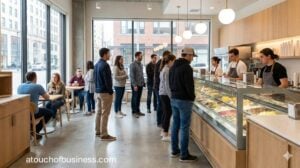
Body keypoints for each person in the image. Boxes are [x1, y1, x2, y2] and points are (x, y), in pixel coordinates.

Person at [169, 47, 198, 162]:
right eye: (192, 56)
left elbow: (170, 82)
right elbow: (189, 86)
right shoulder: (187, 67)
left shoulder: (173, 66)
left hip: (174, 98)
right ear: (188, 56)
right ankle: (184, 155)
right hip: (184, 101)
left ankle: (175, 150)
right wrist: (192, 97)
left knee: (175, 125)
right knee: (184, 127)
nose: (192, 59)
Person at [18, 72, 52, 140]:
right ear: (35, 78)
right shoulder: (37, 86)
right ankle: (35, 131)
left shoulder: (20, 86)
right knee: (49, 112)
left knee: (38, 109)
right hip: (33, 113)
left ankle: (31, 129)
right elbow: (47, 98)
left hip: (22, 113)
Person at [94, 48, 116, 141]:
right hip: (105, 93)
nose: (110, 55)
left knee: (98, 112)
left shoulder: (96, 64)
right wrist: (110, 91)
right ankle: (104, 134)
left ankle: (98, 131)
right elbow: (107, 80)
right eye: (108, 54)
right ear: (104, 54)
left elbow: (95, 79)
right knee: (105, 113)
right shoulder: (105, 65)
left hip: (98, 92)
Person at [159, 54, 176, 142]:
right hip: (165, 94)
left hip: (162, 93)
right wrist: (171, 96)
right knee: (168, 113)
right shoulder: (167, 70)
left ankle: (163, 131)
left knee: (165, 113)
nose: (174, 63)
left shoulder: (163, 69)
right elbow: (167, 85)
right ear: (170, 61)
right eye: (174, 61)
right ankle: (165, 133)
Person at [154, 50, 171, 127]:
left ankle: (162, 121)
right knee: (160, 105)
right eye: (169, 56)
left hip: (160, 87)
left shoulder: (163, 64)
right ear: (165, 56)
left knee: (162, 105)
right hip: (159, 88)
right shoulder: (160, 64)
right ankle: (159, 122)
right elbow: (159, 78)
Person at [130, 51, 145, 118]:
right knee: (134, 98)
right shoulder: (132, 64)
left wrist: (143, 82)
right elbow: (132, 76)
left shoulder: (141, 64)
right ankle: (134, 112)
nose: (141, 57)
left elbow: (142, 74)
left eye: (142, 56)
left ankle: (138, 111)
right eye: (140, 56)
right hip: (135, 85)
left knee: (138, 98)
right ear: (137, 56)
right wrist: (134, 85)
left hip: (140, 84)